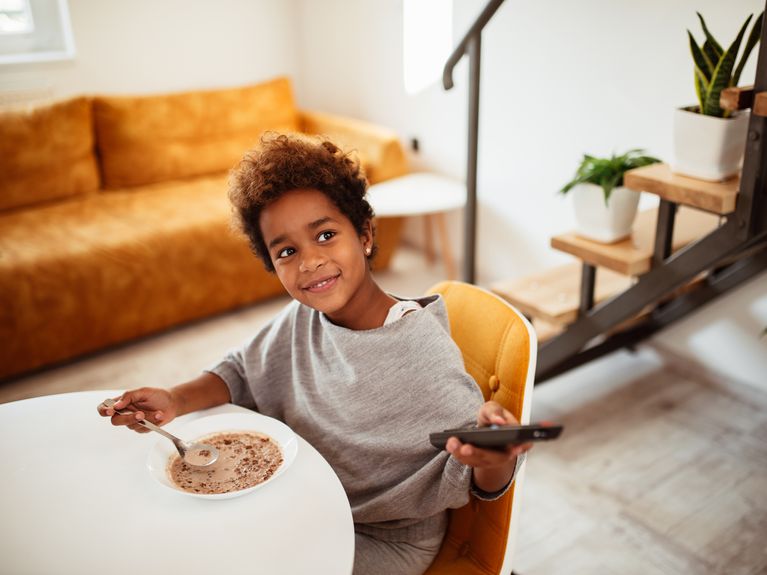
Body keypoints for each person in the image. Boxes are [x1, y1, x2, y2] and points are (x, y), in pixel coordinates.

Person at [98, 133, 532, 575]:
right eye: (286, 251)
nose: (309, 261)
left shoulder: (421, 352)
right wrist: (175, 400)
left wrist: (495, 460)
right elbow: (241, 372)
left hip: (383, 537)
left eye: (325, 235)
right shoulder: (301, 320)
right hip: (305, 502)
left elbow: (474, 477)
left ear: (364, 234)